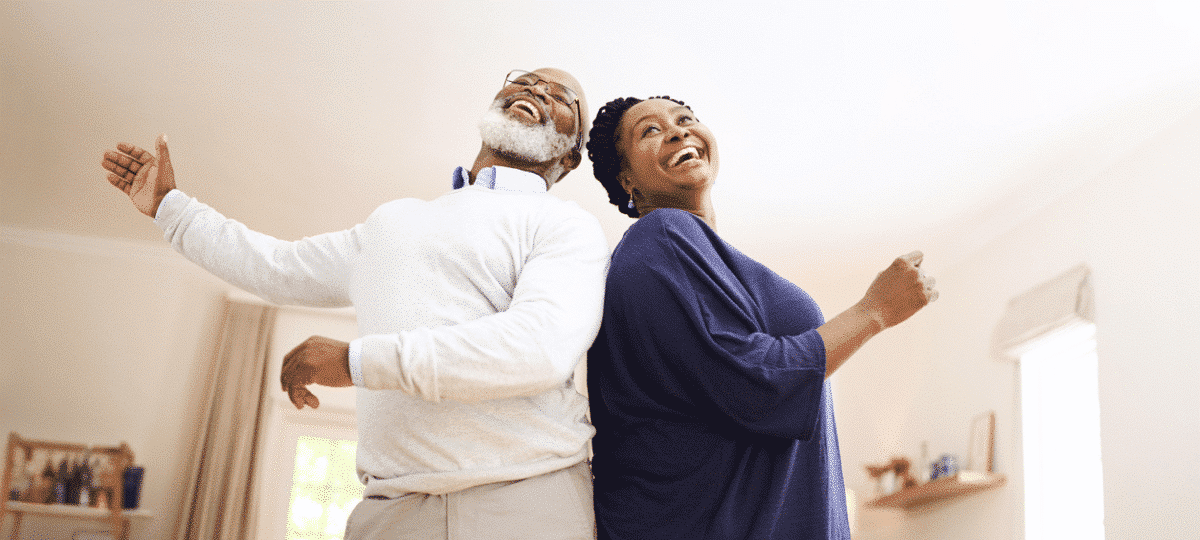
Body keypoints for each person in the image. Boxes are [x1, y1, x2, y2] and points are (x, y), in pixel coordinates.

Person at [101, 68, 607, 540]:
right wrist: (171, 207)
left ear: (571, 156)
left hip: (527, 502)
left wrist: (354, 360)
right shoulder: (393, 222)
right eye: (525, 80)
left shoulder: (566, 225)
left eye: (562, 98)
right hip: (390, 509)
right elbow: (278, 266)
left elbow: (539, 347)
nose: (537, 89)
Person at [583, 96, 939, 540]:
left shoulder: (700, 255)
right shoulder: (660, 236)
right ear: (626, 178)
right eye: (649, 131)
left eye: (685, 119)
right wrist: (875, 311)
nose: (677, 131)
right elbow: (754, 381)